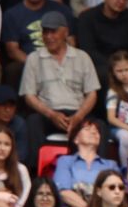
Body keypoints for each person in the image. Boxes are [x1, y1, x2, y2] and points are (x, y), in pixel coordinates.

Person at [18, 11, 100, 167]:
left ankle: (97, 173)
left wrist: (79, 116)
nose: (49, 36)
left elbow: (92, 94)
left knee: (98, 126)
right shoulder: (34, 58)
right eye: (45, 32)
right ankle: (35, 174)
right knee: (32, 122)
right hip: (47, 113)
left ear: (65, 32)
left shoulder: (82, 57)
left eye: (53, 32)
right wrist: (51, 114)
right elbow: (29, 96)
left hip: (77, 112)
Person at [53, 115, 120, 207]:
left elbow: (116, 193)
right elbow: (63, 192)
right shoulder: (65, 161)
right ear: (76, 139)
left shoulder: (110, 165)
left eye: (97, 131)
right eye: (87, 129)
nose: (94, 132)